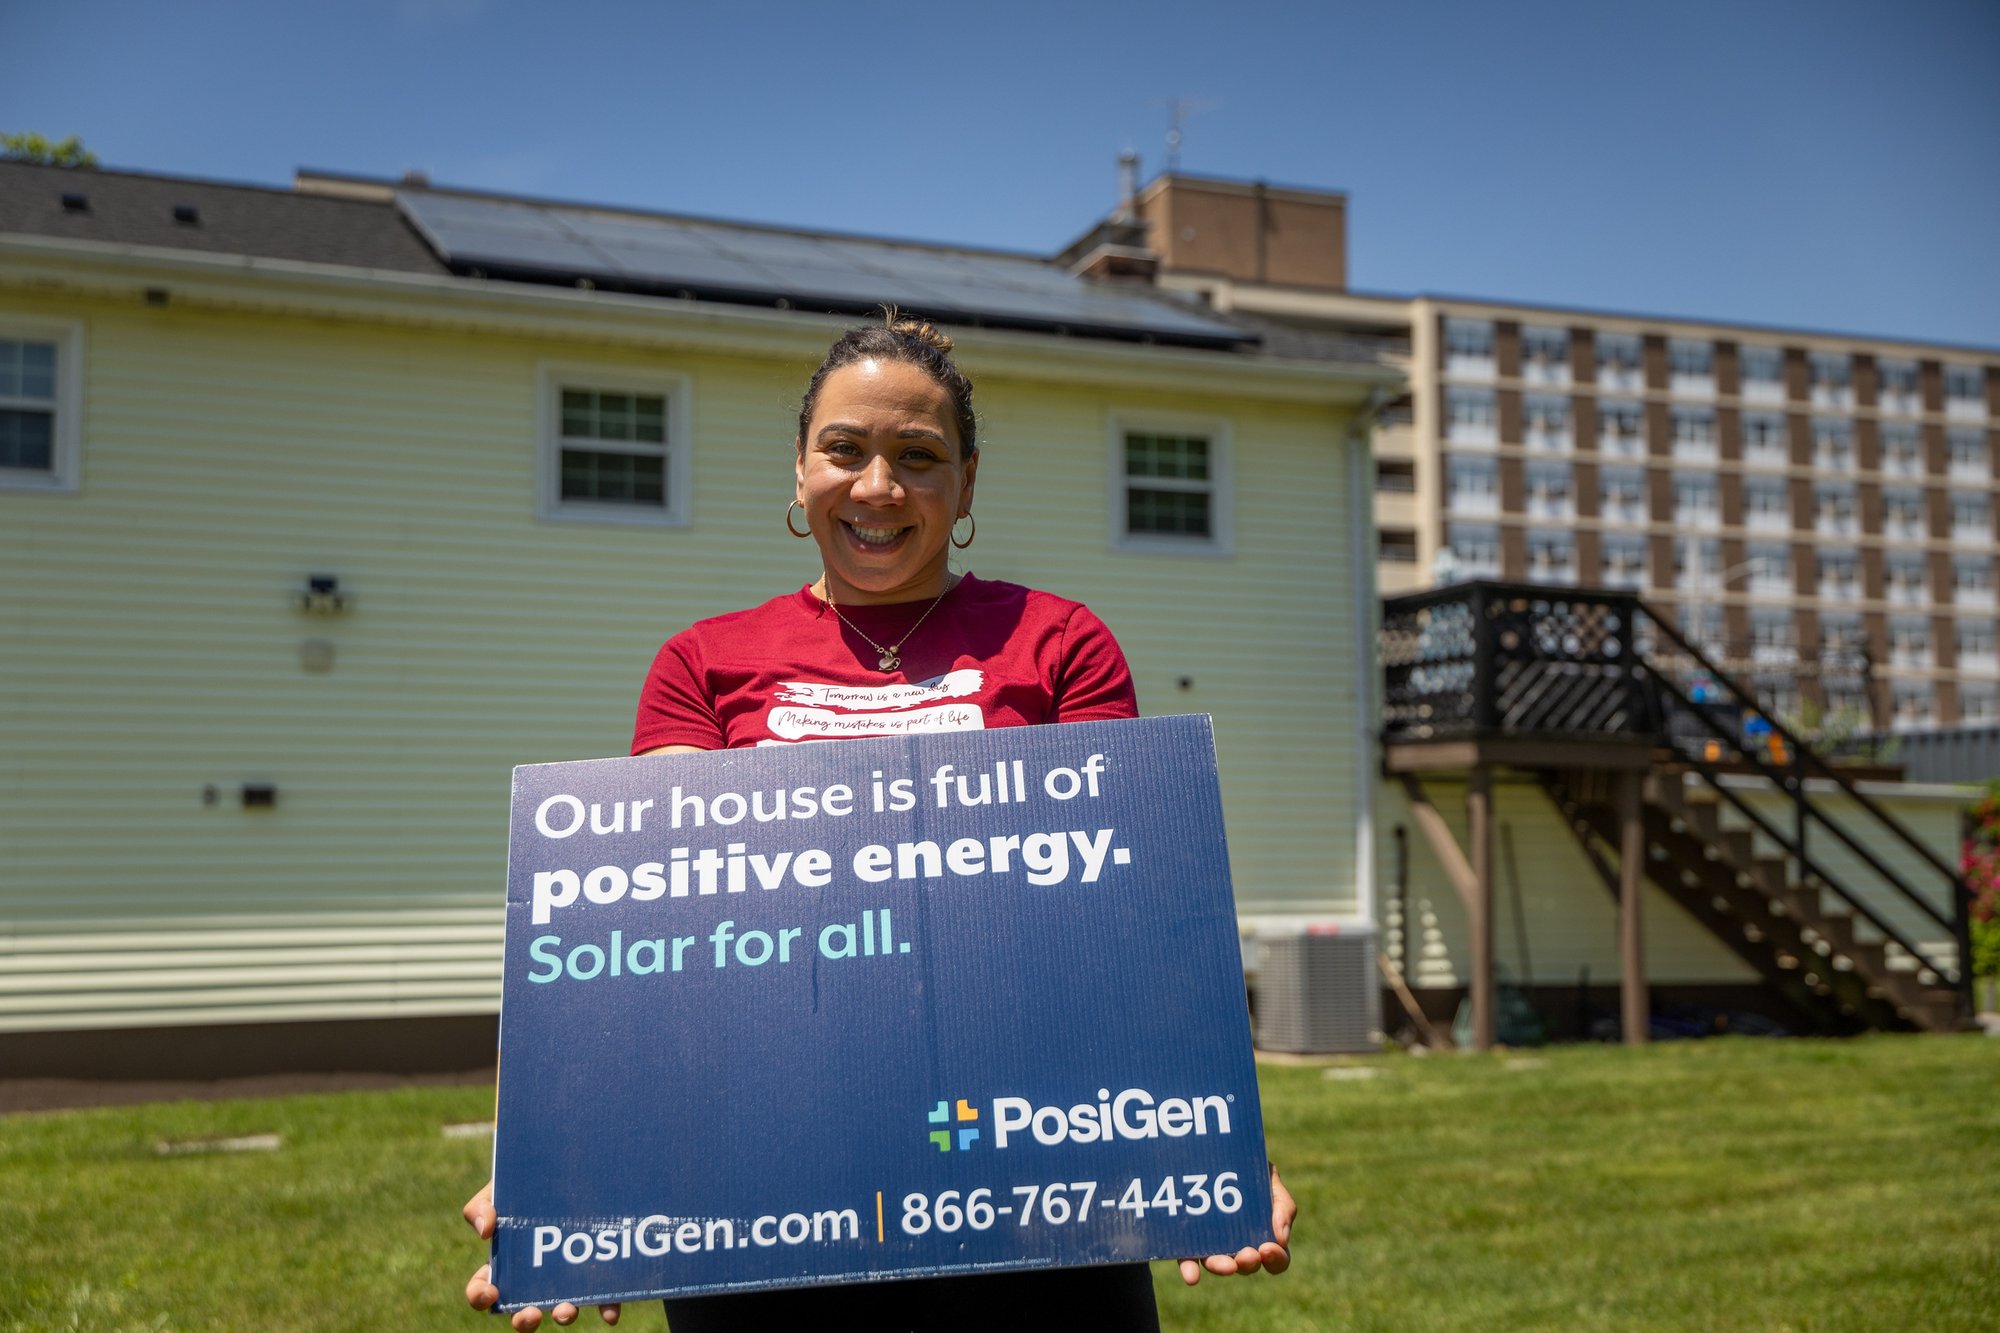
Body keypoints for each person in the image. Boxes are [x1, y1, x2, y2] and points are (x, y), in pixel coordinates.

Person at [463, 313, 1295, 1330]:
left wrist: (1210, 1148)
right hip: (769, 1199)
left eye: (918, 456)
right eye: (844, 450)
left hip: (1031, 1196)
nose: (876, 487)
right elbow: (654, 933)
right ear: (800, 467)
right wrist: (564, 1169)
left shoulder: (1059, 642)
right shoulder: (703, 662)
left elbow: (1123, 919)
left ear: (968, 483)